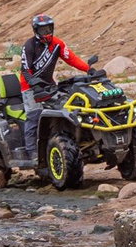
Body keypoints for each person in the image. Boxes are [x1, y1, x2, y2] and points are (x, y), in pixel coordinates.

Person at [17, 12, 92, 175]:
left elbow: (71, 58)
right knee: (34, 115)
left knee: (64, 110)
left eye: (49, 28)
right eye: (43, 30)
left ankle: (64, 143)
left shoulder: (57, 44)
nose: (47, 33)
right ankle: (33, 154)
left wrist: (89, 69)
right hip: (29, 86)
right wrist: (32, 83)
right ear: (36, 30)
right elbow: (25, 69)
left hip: (49, 84)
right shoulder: (29, 46)